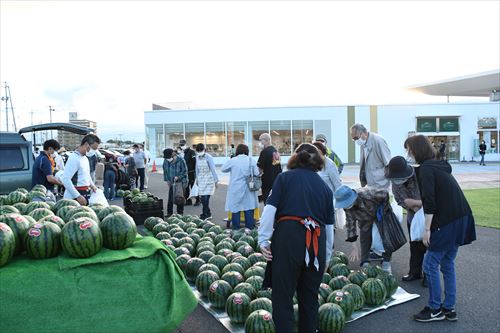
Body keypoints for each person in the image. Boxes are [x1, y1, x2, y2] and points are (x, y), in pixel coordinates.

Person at [258, 143, 334, 333]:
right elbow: (329, 227)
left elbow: (270, 210)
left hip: (288, 237)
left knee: (283, 297)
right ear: (317, 161)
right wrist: (327, 257)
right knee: (310, 298)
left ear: (294, 158)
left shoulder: (285, 178)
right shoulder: (324, 187)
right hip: (316, 242)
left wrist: (264, 239)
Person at [405, 135, 476, 323]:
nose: (408, 153)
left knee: (429, 264)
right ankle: (449, 308)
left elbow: (429, 202)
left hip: (448, 222)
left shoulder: (427, 169)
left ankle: (435, 308)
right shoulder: (438, 164)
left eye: (409, 150)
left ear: (417, 150)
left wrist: (427, 230)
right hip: (462, 218)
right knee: (447, 263)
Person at [385, 156, 427, 286]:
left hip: (427, 216)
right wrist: (412, 206)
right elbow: (400, 200)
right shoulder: (395, 183)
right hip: (412, 216)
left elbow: (429, 198)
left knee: (428, 245)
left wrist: (414, 203)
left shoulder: (421, 176)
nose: (397, 180)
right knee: (414, 244)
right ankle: (415, 272)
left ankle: (429, 275)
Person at [334, 185, 393, 273]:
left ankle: (387, 261)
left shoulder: (368, 193)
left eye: (348, 203)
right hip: (364, 218)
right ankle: (365, 262)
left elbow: (384, 194)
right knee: (365, 237)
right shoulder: (347, 208)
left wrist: (383, 210)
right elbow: (350, 226)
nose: (346, 206)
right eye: (344, 204)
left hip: (379, 213)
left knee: (387, 237)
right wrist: (354, 247)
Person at [221, 144, 259, 230]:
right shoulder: (251, 160)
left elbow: (223, 169)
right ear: (247, 151)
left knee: (235, 208)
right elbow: (256, 173)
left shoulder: (233, 160)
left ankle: (236, 229)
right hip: (248, 187)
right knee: (249, 207)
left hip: (235, 188)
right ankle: (249, 229)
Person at [62, 134, 101, 205]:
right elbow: (65, 179)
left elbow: (86, 175)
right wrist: (78, 196)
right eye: (93, 149)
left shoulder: (85, 158)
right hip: (73, 198)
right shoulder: (74, 158)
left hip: (84, 193)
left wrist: (92, 186)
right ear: (86, 144)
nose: (94, 151)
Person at [350, 123, 391, 189]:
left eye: (356, 138)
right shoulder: (363, 143)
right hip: (370, 185)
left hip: (381, 185)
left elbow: (388, 164)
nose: (356, 141)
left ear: (364, 132)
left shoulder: (378, 141)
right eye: (353, 139)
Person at [194, 143, 219, 220]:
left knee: (205, 198)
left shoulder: (209, 157)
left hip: (209, 178)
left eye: (200, 150)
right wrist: (197, 179)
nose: (199, 152)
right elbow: (197, 169)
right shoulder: (197, 157)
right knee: (202, 197)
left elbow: (213, 169)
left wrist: (216, 180)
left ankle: (205, 214)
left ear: (204, 150)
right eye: (198, 151)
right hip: (201, 179)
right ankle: (207, 213)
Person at [257, 133, 282, 203]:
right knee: (276, 201)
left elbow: (260, 168)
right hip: (277, 180)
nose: (260, 143)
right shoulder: (275, 151)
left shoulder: (264, 152)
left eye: (261, 140)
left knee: (267, 201)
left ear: (266, 140)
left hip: (267, 181)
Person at [162, 148, 188, 216]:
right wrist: (167, 180)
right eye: (166, 158)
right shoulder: (166, 160)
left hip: (181, 182)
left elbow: (185, 172)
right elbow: (165, 171)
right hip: (171, 181)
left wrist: (178, 177)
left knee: (179, 197)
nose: (168, 159)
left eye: (169, 157)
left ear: (173, 154)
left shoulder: (181, 160)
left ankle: (180, 213)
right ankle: (169, 213)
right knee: (170, 198)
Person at [180, 139, 198, 206]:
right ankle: (188, 200)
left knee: (193, 186)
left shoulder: (191, 152)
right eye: (181, 145)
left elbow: (195, 161)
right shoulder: (182, 153)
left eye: (182, 145)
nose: (181, 146)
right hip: (185, 173)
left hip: (191, 172)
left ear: (186, 144)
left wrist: (196, 171)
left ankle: (198, 199)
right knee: (186, 187)